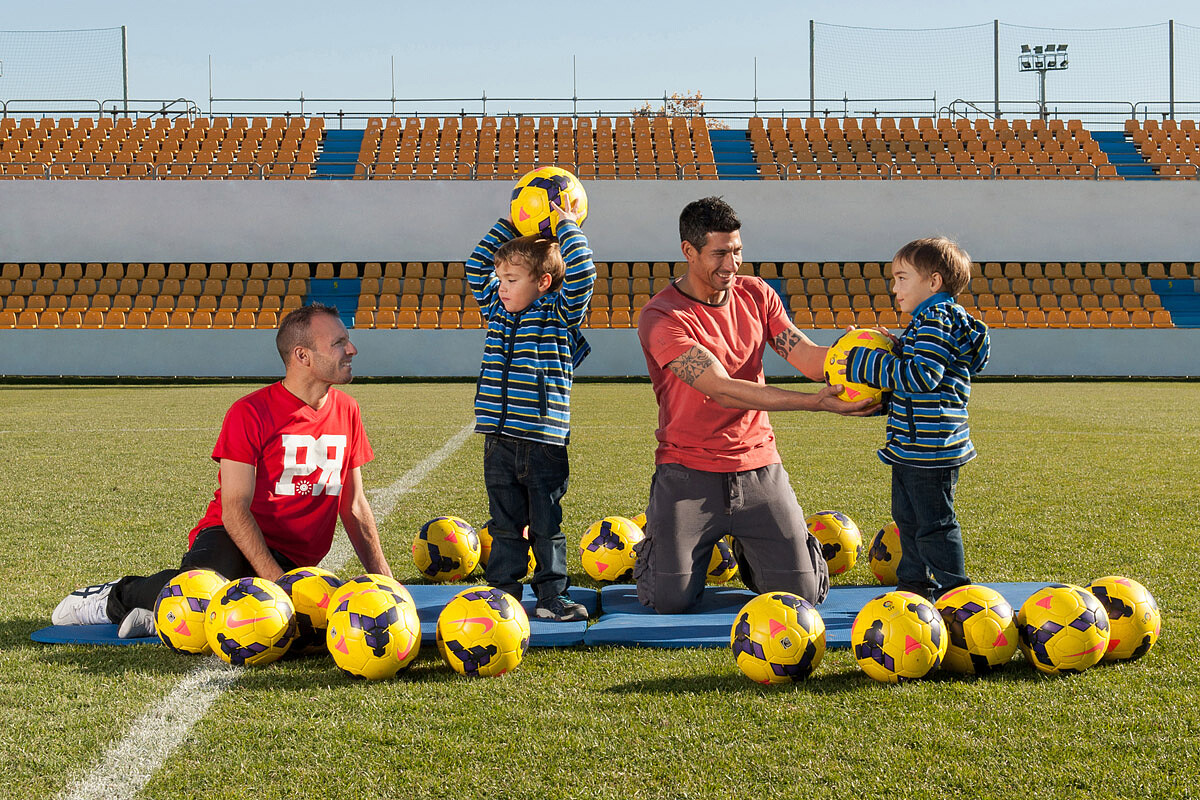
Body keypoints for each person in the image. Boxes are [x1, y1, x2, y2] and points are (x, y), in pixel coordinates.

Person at [51, 303, 393, 637]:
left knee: (289, 625)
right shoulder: (250, 412)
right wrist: (277, 584)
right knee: (205, 593)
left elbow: (354, 506)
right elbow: (234, 509)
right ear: (302, 356)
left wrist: (386, 583)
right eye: (338, 343)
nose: (352, 349)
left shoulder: (348, 410)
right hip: (230, 535)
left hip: (295, 556)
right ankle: (113, 598)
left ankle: (160, 613)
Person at [634, 196, 877, 614]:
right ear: (688, 251)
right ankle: (665, 542)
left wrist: (853, 352)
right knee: (669, 600)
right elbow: (722, 388)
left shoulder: (757, 294)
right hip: (688, 471)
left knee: (803, 593)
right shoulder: (662, 316)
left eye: (738, 251)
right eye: (720, 254)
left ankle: (755, 547)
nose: (732, 264)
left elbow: (807, 357)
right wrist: (813, 405)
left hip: (758, 467)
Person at [466, 195, 595, 621]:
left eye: (511, 279)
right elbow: (474, 265)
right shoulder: (497, 312)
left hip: (543, 443)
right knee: (504, 524)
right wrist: (513, 221)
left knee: (546, 526)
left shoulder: (558, 314)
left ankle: (552, 596)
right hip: (498, 441)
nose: (500, 287)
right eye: (499, 279)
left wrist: (564, 225)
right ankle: (503, 591)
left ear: (542, 282)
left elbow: (582, 274)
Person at [839, 236, 990, 600]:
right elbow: (916, 371)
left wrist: (864, 363)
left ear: (933, 282)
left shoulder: (937, 319)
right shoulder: (928, 322)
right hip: (911, 444)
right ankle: (913, 584)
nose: (895, 289)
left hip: (931, 446)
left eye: (902, 278)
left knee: (934, 525)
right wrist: (898, 345)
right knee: (907, 521)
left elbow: (922, 376)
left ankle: (955, 593)